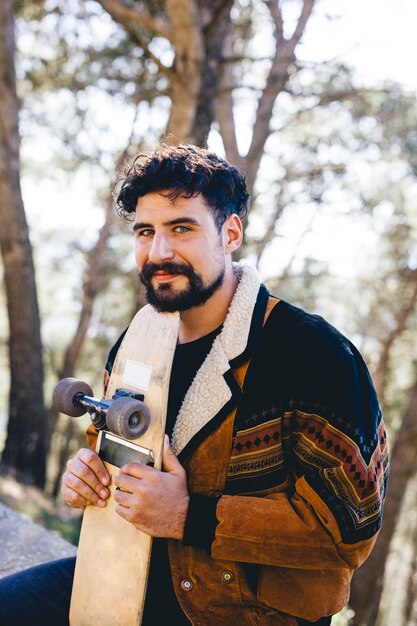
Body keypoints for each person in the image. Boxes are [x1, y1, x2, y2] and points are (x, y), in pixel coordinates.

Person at [0, 144, 389, 626]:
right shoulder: (136, 341)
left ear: (230, 233)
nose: (158, 252)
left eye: (181, 228)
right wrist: (90, 475)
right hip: (125, 577)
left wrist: (188, 515)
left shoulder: (315, 355)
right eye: (146, 232)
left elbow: (346, 533)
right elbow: (112, 445)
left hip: (244, 611)